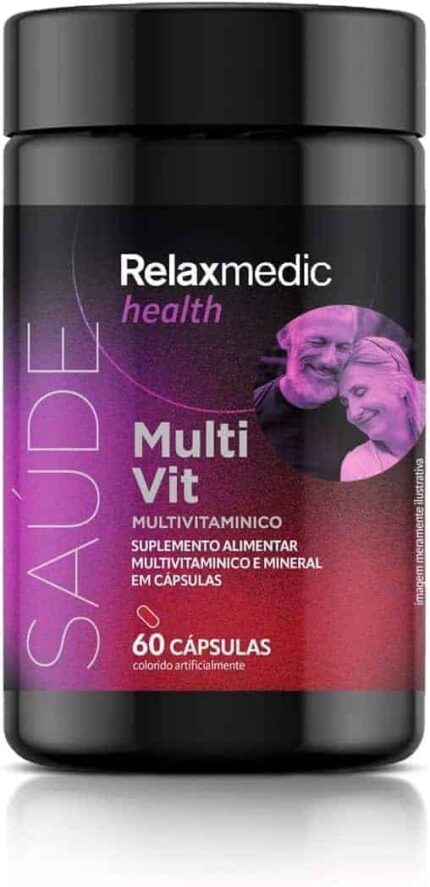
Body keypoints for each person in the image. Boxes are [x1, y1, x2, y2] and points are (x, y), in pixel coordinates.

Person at [254, 305, 363, 480]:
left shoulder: (365, 418)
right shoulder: (250, 412)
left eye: (343, 347)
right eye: (317, 343)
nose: (329, 360)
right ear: (284, 336)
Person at [339, 337, 425, 481]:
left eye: (360, 392)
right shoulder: (357, 466)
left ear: (399, 383)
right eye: (345, 403)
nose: (353, 414)